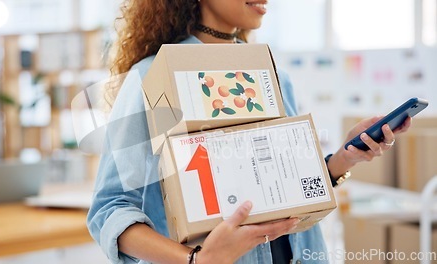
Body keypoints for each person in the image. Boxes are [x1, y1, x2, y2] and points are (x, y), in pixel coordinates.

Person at [86, 0, 412, 263]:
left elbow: (289, 189)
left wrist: (343, 158)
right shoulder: (150, 78)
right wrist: (196, 261)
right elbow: (110, 209)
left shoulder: (275, 76)